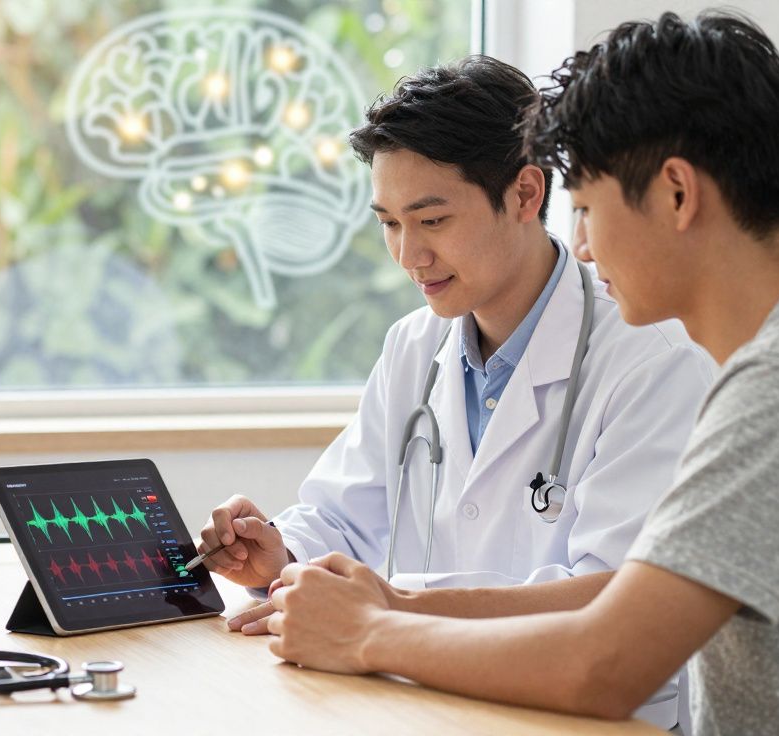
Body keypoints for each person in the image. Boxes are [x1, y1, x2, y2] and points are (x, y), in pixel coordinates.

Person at [260, 11, 779, 735]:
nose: (584, 247)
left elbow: (607, 663)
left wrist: (369, 632)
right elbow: (620, 606)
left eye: (589, 208)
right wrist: (389, 606)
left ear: (677, 194)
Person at [195, 57, 713, 728]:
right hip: (431, 702)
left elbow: (614, 601)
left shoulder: (651, 359)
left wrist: (387, 606)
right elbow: (344, 514)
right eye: (389, 223)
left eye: (432, 220)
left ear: (525, 195)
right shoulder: (414, 346)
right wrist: (281, 554)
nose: (409, 255)